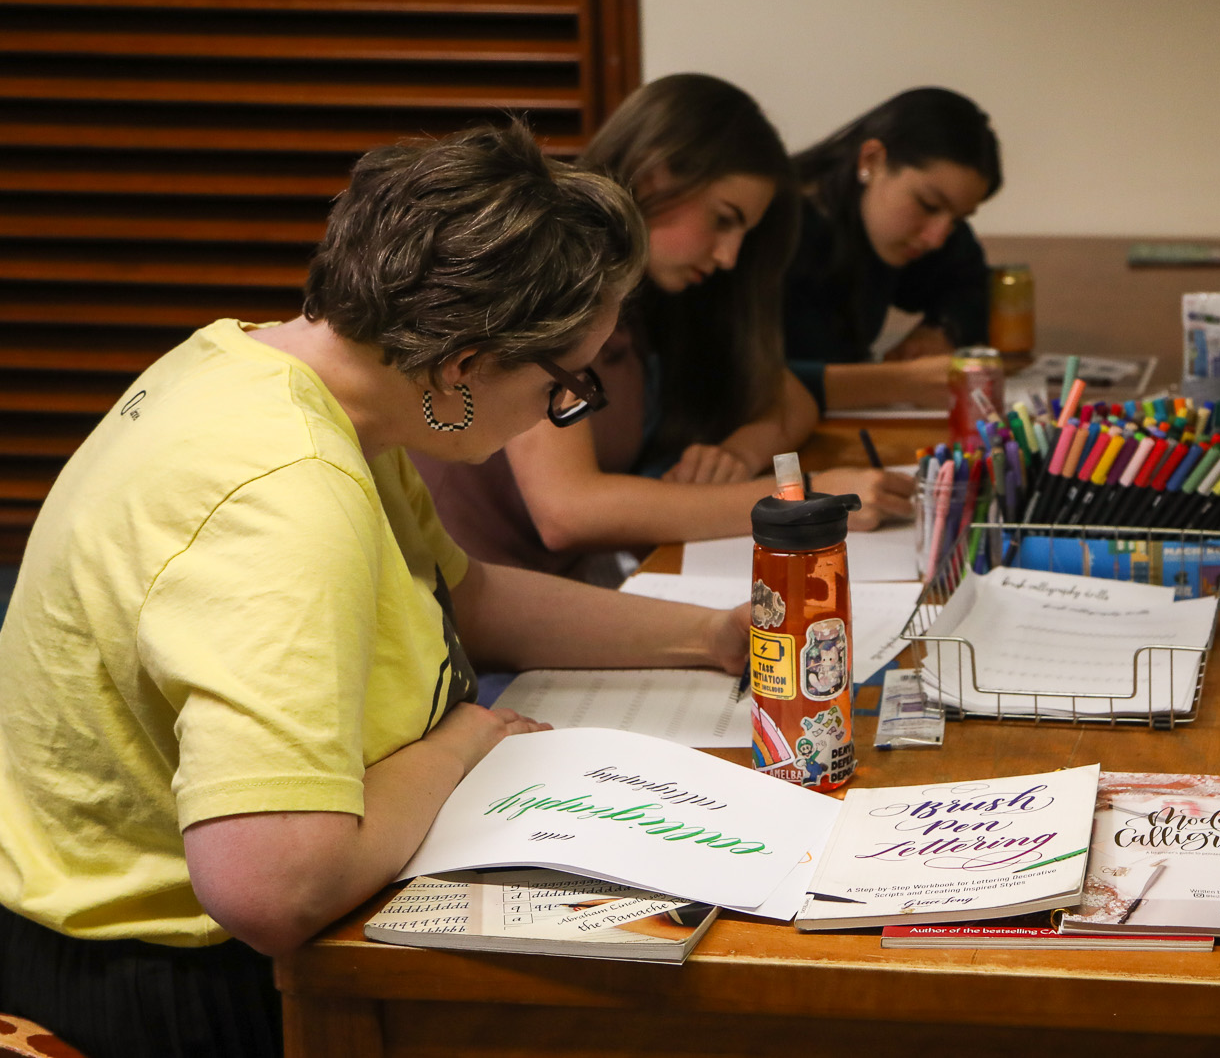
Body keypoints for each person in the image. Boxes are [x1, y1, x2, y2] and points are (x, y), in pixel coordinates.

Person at [0, 123, 748, 1058]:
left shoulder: (274, 374)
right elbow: (268, 887)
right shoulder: (282, 492)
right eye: (564, 384)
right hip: (188, 984)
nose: (564, 410)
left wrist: (710, 633)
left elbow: (465, 600)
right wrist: (465, 741)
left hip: (195, 938)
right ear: (464, 366)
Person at [415, 75, 910, 580]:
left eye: (744, 233)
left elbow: (791, 399)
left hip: (560, 585)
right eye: (723, 219)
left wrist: (738, 454)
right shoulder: (549, 268)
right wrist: (801, 497)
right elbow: (567, 510)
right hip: (467, 610)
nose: (729, 255)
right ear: (654, 173)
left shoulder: (660, 291)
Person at [783, 87, 1003, 411]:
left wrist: (942, 330)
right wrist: (902, 381)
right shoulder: (775, 230)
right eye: (928, 205)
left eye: (956, 219)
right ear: (872, 160)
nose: (937, 238)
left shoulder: (900, 225)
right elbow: (742, 385)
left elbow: (974, 285)